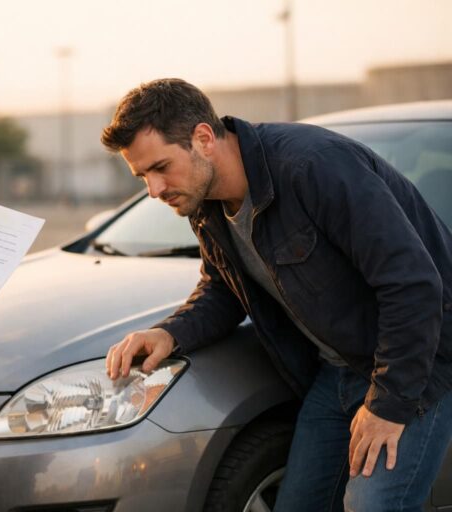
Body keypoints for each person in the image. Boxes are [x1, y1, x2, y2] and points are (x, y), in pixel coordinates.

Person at [102, 78, 452, 511]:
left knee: (372, 506)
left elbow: (413, 282)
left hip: (419, 362)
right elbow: (224, 288)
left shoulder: (312, 166)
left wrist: (388, 405)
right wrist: (170, 334)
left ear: (204, 138)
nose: (154, 190)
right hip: (336, 374)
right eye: (143, 177)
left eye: (160, 168)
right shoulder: (205, 204)